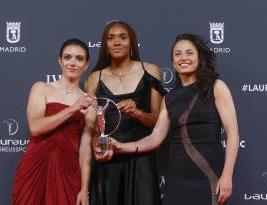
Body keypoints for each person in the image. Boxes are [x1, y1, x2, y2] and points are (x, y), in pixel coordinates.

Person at [109, 34, 239, 205]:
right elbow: (155, 138)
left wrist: (227, 175)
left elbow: (233, 134)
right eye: (178, 54)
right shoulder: (169, 98)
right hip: (176, 181)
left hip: (208, 177)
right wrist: (121, 147)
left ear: (199, 58)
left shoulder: (216, 87)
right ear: (172, 62)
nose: (183, 58)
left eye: (189, 53)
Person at [85, 20, 164, 205]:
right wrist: (97, 147)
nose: (117, 42)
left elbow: (158, 123)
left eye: (122, 37)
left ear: (132, 42)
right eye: (110, 38)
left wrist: (138, 113)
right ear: (105, 45)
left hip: (142, 159)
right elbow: (95, 127)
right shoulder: (94, 78)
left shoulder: (150, 71)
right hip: (109, 160)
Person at [12, 38, 95, 205]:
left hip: (67, 170)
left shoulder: (90, 102)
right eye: (67, 57)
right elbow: (35, 127)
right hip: (34, 166)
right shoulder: (41, 88)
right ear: (60, 61)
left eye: (79, 58)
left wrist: (84, 189)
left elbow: (85, 149)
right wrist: (73, 109)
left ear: (86, 64)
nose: (72, 62)